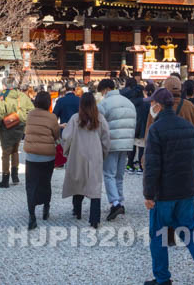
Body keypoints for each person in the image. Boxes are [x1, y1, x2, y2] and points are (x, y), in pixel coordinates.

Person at [143, 88, 194, 285]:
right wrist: (193, 187)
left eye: (152, 103)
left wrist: (149, 194)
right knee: (189, 230)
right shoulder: (189, 128)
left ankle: (162, 278)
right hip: (185, 190)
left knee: (158, 236)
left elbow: (152, 166)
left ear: (158, 105)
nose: (151, 106)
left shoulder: (156, 130)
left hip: (163, 192)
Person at [61, 92, 110, 228]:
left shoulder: (75, 118)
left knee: (78, 181)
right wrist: (103, 153)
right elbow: (106, 139)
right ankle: (94, 219)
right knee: (95, 187)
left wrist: (67, 151)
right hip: (94, 155)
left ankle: (77, 211)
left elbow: (67, 137)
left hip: (77, 154)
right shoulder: (99, 119)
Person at [96, 78, 135, 220]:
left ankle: (115, 203)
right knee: (119, 175)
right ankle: (121, 200)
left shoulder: (104, 104)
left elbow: (98, 124)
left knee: (108, 174)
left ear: (105, 89)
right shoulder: (128, 102)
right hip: (126, 143)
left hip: (111, 144)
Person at [23, 90, 61, 229]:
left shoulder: (30, 115)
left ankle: (32, 215)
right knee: (45, 182)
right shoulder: (52, 117)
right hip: (47, 156)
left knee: (31, 184)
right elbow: (56, 134)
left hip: (32, 155)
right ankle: (46, 208)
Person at [0, 80, 33, 188]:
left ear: (4, 86)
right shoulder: (22, 96)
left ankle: (5, 179)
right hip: (20, 126)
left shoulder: (3, 97)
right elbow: (31, 109)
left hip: (7, 128)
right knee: (15, 151)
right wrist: (23, 119)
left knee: (5, 153)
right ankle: (15, 176)